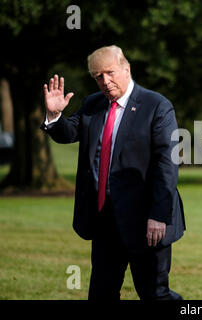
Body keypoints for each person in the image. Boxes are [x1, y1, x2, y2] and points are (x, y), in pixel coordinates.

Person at [41, 45, 185, 300]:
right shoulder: (93, 104)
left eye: (110, 72)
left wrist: (159, 215)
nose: (105, 81)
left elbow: (167, 163)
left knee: (155, 294)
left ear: (126, 69)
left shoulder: (157, 105)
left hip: (146, 221)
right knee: (101, 294)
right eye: (98, 76)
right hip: (104, 220)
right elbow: (68, 133)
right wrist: (54, 116)